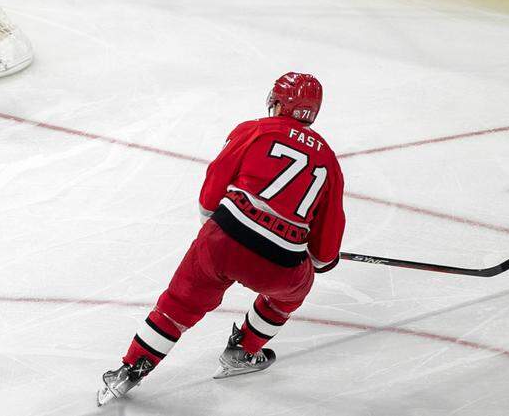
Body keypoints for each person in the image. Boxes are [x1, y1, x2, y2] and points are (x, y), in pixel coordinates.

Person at [97, 72, 345, 406]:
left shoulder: (255, 129)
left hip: (223, 238)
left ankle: (131, 368)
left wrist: (214, 230)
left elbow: (214, 185)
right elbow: (325, 247)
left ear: (279, 102)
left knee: (179, 303)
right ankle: (242, 351)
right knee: (292, 293)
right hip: (281, 262)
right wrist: (321, 261)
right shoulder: (329, 160)